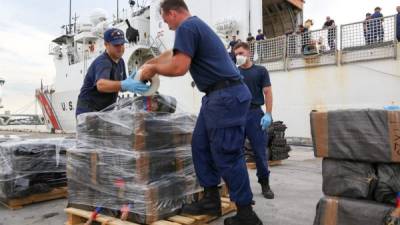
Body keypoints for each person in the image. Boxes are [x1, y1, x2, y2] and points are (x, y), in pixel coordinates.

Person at [139, 0, 263, 224]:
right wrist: (150, 62)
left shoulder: (186, 27)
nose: (166, 25)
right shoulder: (194, 27)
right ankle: (211, 199)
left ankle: (246, 214)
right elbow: (171, 54)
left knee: (227, 153)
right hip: (216, 97)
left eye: (165, 19)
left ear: (173, 13)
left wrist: (154, 69)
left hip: (225, 96)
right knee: (200, 145)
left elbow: (178, 66)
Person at [76, 28, 149, 116]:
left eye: (122, 44)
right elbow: (101, 85)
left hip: (104, 110)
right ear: (106, 45)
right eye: (116, 45)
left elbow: (121, 87)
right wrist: (124, 84)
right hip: (88, 110)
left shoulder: (120, 62)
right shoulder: (103, 61)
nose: (120, 47)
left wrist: (136, 80)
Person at [233, 42, 274, 199]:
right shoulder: (234, 72)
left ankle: (265, 184)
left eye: (241, 53)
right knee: (235, 152)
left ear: (249, 53)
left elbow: (268, 92)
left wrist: (268, 114)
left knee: (259, 152)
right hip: (237, 115)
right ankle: (239, 186)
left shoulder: (260, 71)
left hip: (254, 114)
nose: (239, 56)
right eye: (236, 54)